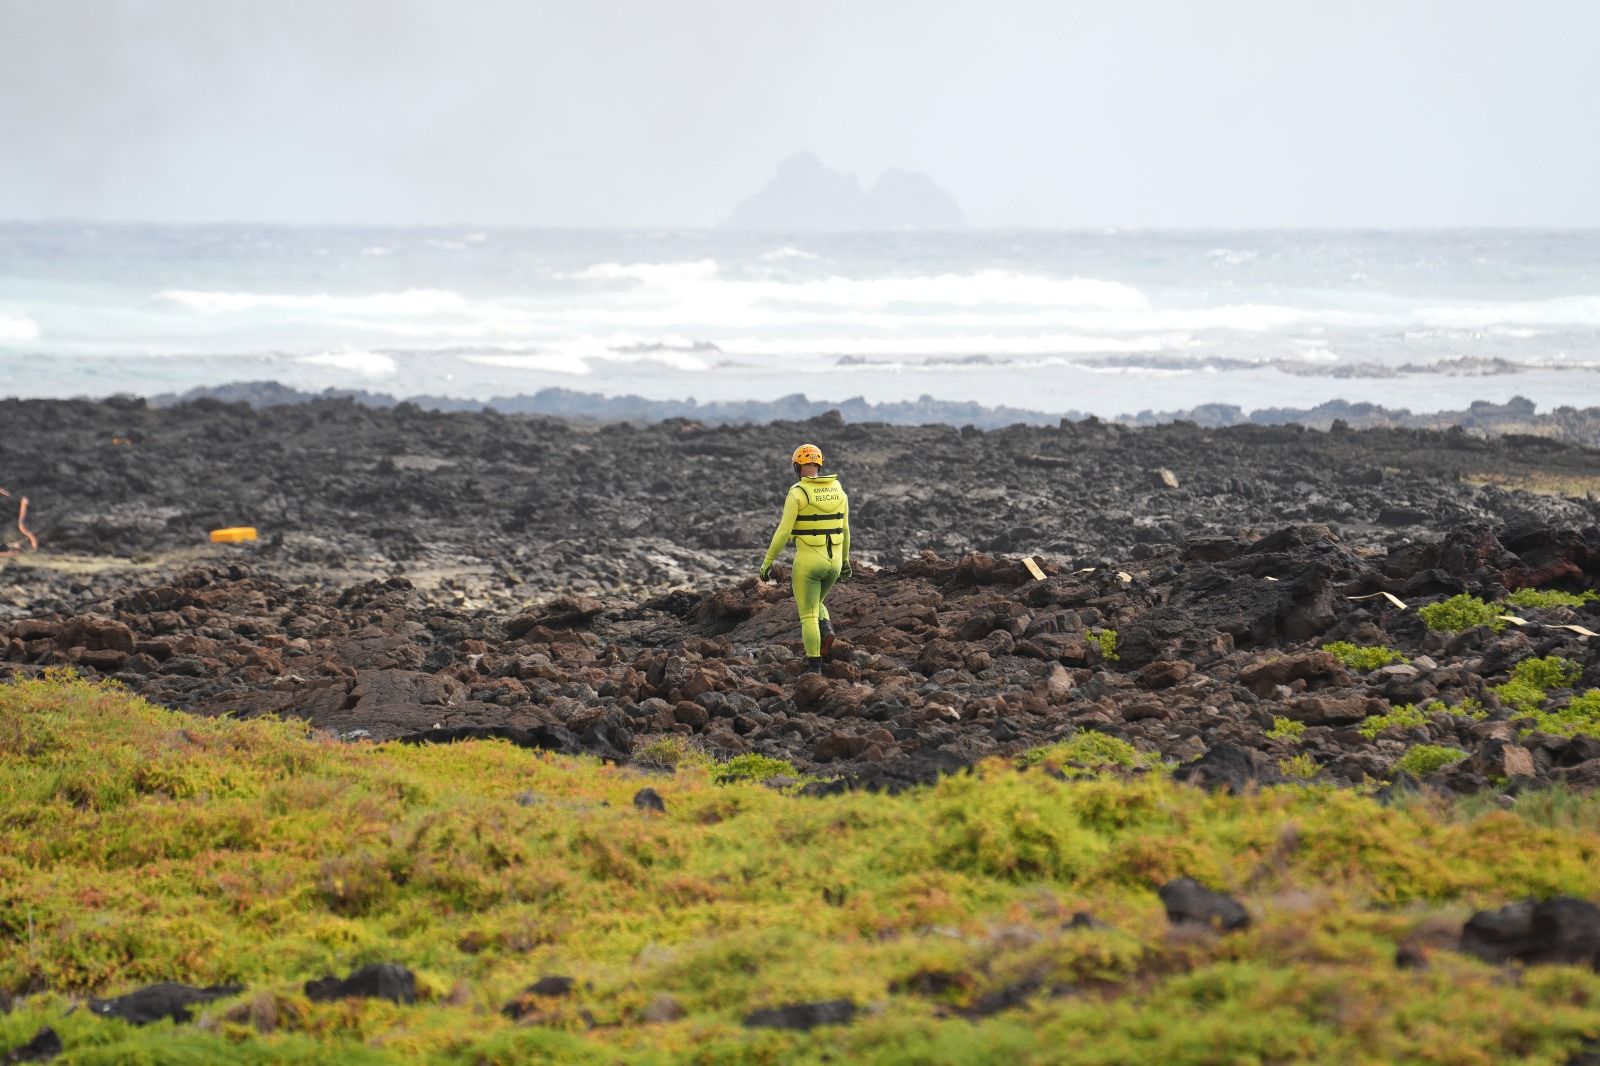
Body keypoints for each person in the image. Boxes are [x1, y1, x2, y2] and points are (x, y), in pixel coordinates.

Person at [759, 443, 852, 675]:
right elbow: (846, 529)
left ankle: (814, 668)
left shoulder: (798, 492)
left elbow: (783, 532)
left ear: (797, 466)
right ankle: (826, 628)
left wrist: (767, 562)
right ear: (819, 465)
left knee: (808, 613)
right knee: (816, 603)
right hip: (834, 561)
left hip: (809, 563)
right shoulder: (839, 490)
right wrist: (846, 561)